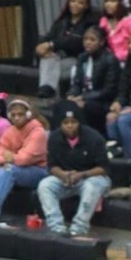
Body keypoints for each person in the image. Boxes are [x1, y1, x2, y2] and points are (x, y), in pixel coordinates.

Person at [37, 100, 112, 236]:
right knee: (45, 185)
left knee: (92, 186)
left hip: (91, 177)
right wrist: (63, 174)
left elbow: (103, 168)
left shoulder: (94, 137)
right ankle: (56, 226)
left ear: (79, 122)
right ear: (60, 124)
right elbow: (52, 166)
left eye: (73, 122)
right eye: (66, 123)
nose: (70, 126)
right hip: (66, 179)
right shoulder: (54, 138)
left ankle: (79, 227)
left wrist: (82, 174)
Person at [34, 0, 96, 98]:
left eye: (80, 2)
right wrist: (40, 47)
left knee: (51, 68)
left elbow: (75, 42)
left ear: (86, 6)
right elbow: (49, 36)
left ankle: (47, 93)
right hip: (58, 59)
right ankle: (47, 91)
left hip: (78, 59)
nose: (75, 4)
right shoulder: (62, 21)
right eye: (73, 1)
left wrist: (51, 45)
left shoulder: (89, 23)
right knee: (48, 59)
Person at [67, 26, 121, 132]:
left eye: (92, 40)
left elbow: (108, 91)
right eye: (85, 39)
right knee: (63, 105)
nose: (87, 42)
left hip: (103, 102)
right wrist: (71, 95)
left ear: (101, 42)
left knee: (88, 107)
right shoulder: (82, 58)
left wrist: (84, 98)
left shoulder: (110, 60)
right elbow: (77, 83)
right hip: (83, 98)